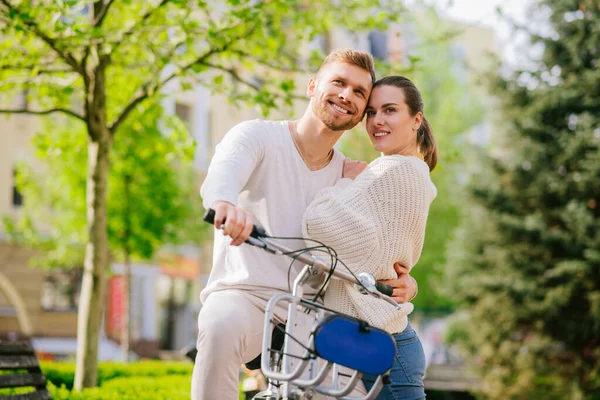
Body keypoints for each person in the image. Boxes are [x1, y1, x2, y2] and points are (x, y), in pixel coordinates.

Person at [193, 50, 418, 400]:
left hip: (317, 312)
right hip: (245, 296)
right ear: (313, 86)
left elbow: (377, 249)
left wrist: (406, 283)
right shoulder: (258, 137)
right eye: (339, 83)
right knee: (220, 327)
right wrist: (224, 205)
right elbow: (224, 173)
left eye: (360, 92)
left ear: (361, 114)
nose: (347, 95)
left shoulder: (352, 177)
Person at [303, 75, 437, 399]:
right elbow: (384, 256)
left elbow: (318, 224)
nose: (377, 121)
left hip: (380, 344)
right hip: (376, 339)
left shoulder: (392, 171)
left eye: (390, 110)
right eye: (372, 113)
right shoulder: (402, 169)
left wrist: (345, 181)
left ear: (416, 119)